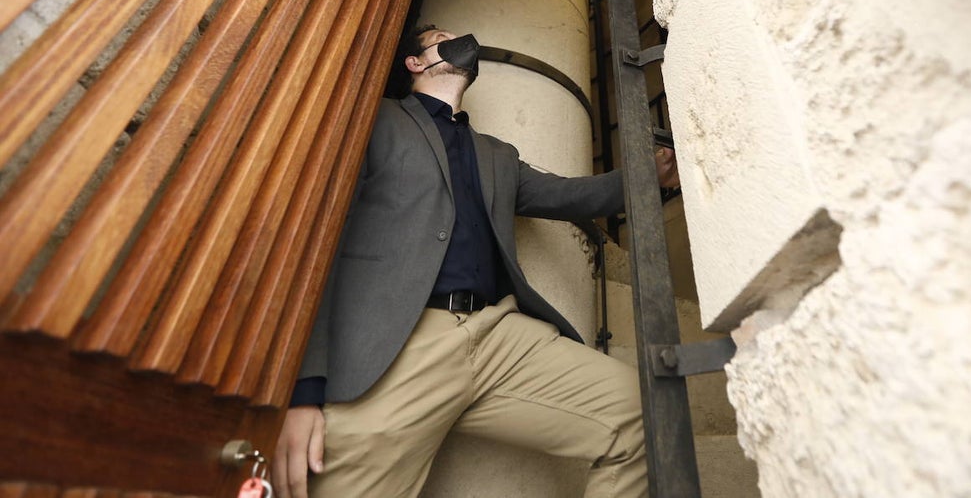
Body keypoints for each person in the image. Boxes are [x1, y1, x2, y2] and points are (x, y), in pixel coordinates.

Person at [272, 25, 679, 497]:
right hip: (399, 344)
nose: (458, 38)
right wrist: (301, 388)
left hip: (497, 335)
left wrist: (649, 173)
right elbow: (317, 241)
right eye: (440, 36)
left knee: (640, 408)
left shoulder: (497, 156)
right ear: (415, 62)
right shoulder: (375, 119)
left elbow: (571, 195)